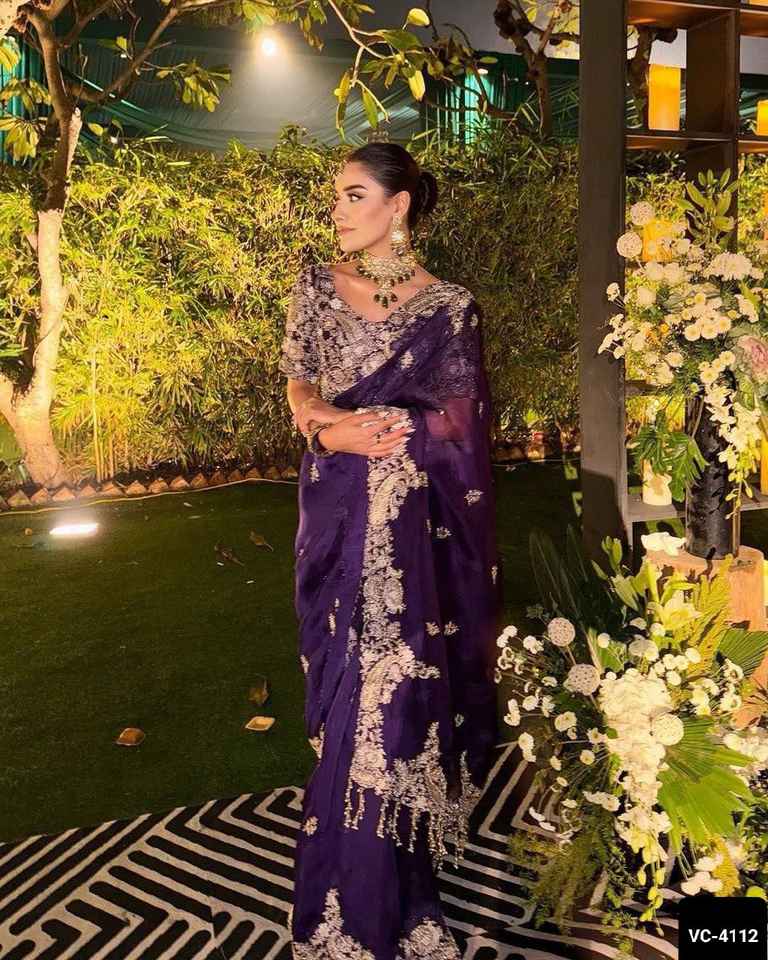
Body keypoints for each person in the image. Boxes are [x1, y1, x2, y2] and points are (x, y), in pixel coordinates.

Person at [278, 141, 503, 959]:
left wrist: (401, 426)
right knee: (344, 684)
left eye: (353, 194)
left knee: (397, 692)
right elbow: (299, 381)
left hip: (415, 528)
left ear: (397, 204)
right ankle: (350, 894)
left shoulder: (449, 307)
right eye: (336, 196)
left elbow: (461, 425)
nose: (337, 209)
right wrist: (328, 427)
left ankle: (392, 897)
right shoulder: (315, 285)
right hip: (337, 514)